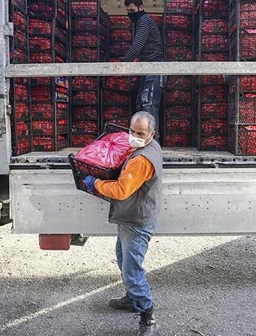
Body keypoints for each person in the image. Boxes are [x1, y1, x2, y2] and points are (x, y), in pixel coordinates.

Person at [82, 111, 163, 336]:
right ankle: (132, 299)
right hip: (132, 216)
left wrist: (95, 182)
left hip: (136, 221)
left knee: (132, 271)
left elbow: (120, 190)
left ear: (151, 134)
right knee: (122, 258)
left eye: (140, 133)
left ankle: (148, 316)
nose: (134, 136)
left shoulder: (141, 160)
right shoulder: (150, 146)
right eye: (132, 131)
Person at [122, 0, 165, 135]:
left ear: (141, 8)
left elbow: (137, 45)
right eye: (128, 12)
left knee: (149, 106)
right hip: (147, 67)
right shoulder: (141, 22)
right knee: (141, 104)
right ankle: (143, 140)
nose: (130, 14)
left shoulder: (145, 21)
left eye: (132, 11)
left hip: (154, 66)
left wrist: (123, 62)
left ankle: (152, 142)